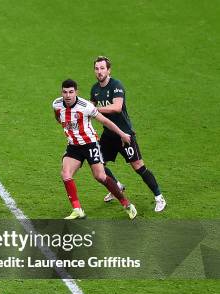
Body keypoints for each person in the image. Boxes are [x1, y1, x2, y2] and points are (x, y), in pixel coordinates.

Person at [52, 79, 138, 220]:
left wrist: (122, 134)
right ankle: (77, 209)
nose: (68, 95)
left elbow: (105, 121)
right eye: (65, 92)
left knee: (100, 176)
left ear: (76, 92)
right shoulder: (56, 104)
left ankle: (127, 204)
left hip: (90, 144)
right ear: (62, 92)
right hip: (73, 146)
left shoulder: (85, 106)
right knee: (65, 174)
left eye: (71, 92)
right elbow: (58, 117)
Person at [90, 56, 166, 212]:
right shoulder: (95, 89)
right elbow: (90, 107)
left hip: (125, 135)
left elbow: (117, 108)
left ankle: (159, 197)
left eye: (102, 68)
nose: (99, 71)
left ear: (108, 70)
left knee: (138, 166)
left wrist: (95, 110)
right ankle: (116, 187)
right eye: (97, 68)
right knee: (98, 165)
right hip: (108, 135)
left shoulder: (116, 85)